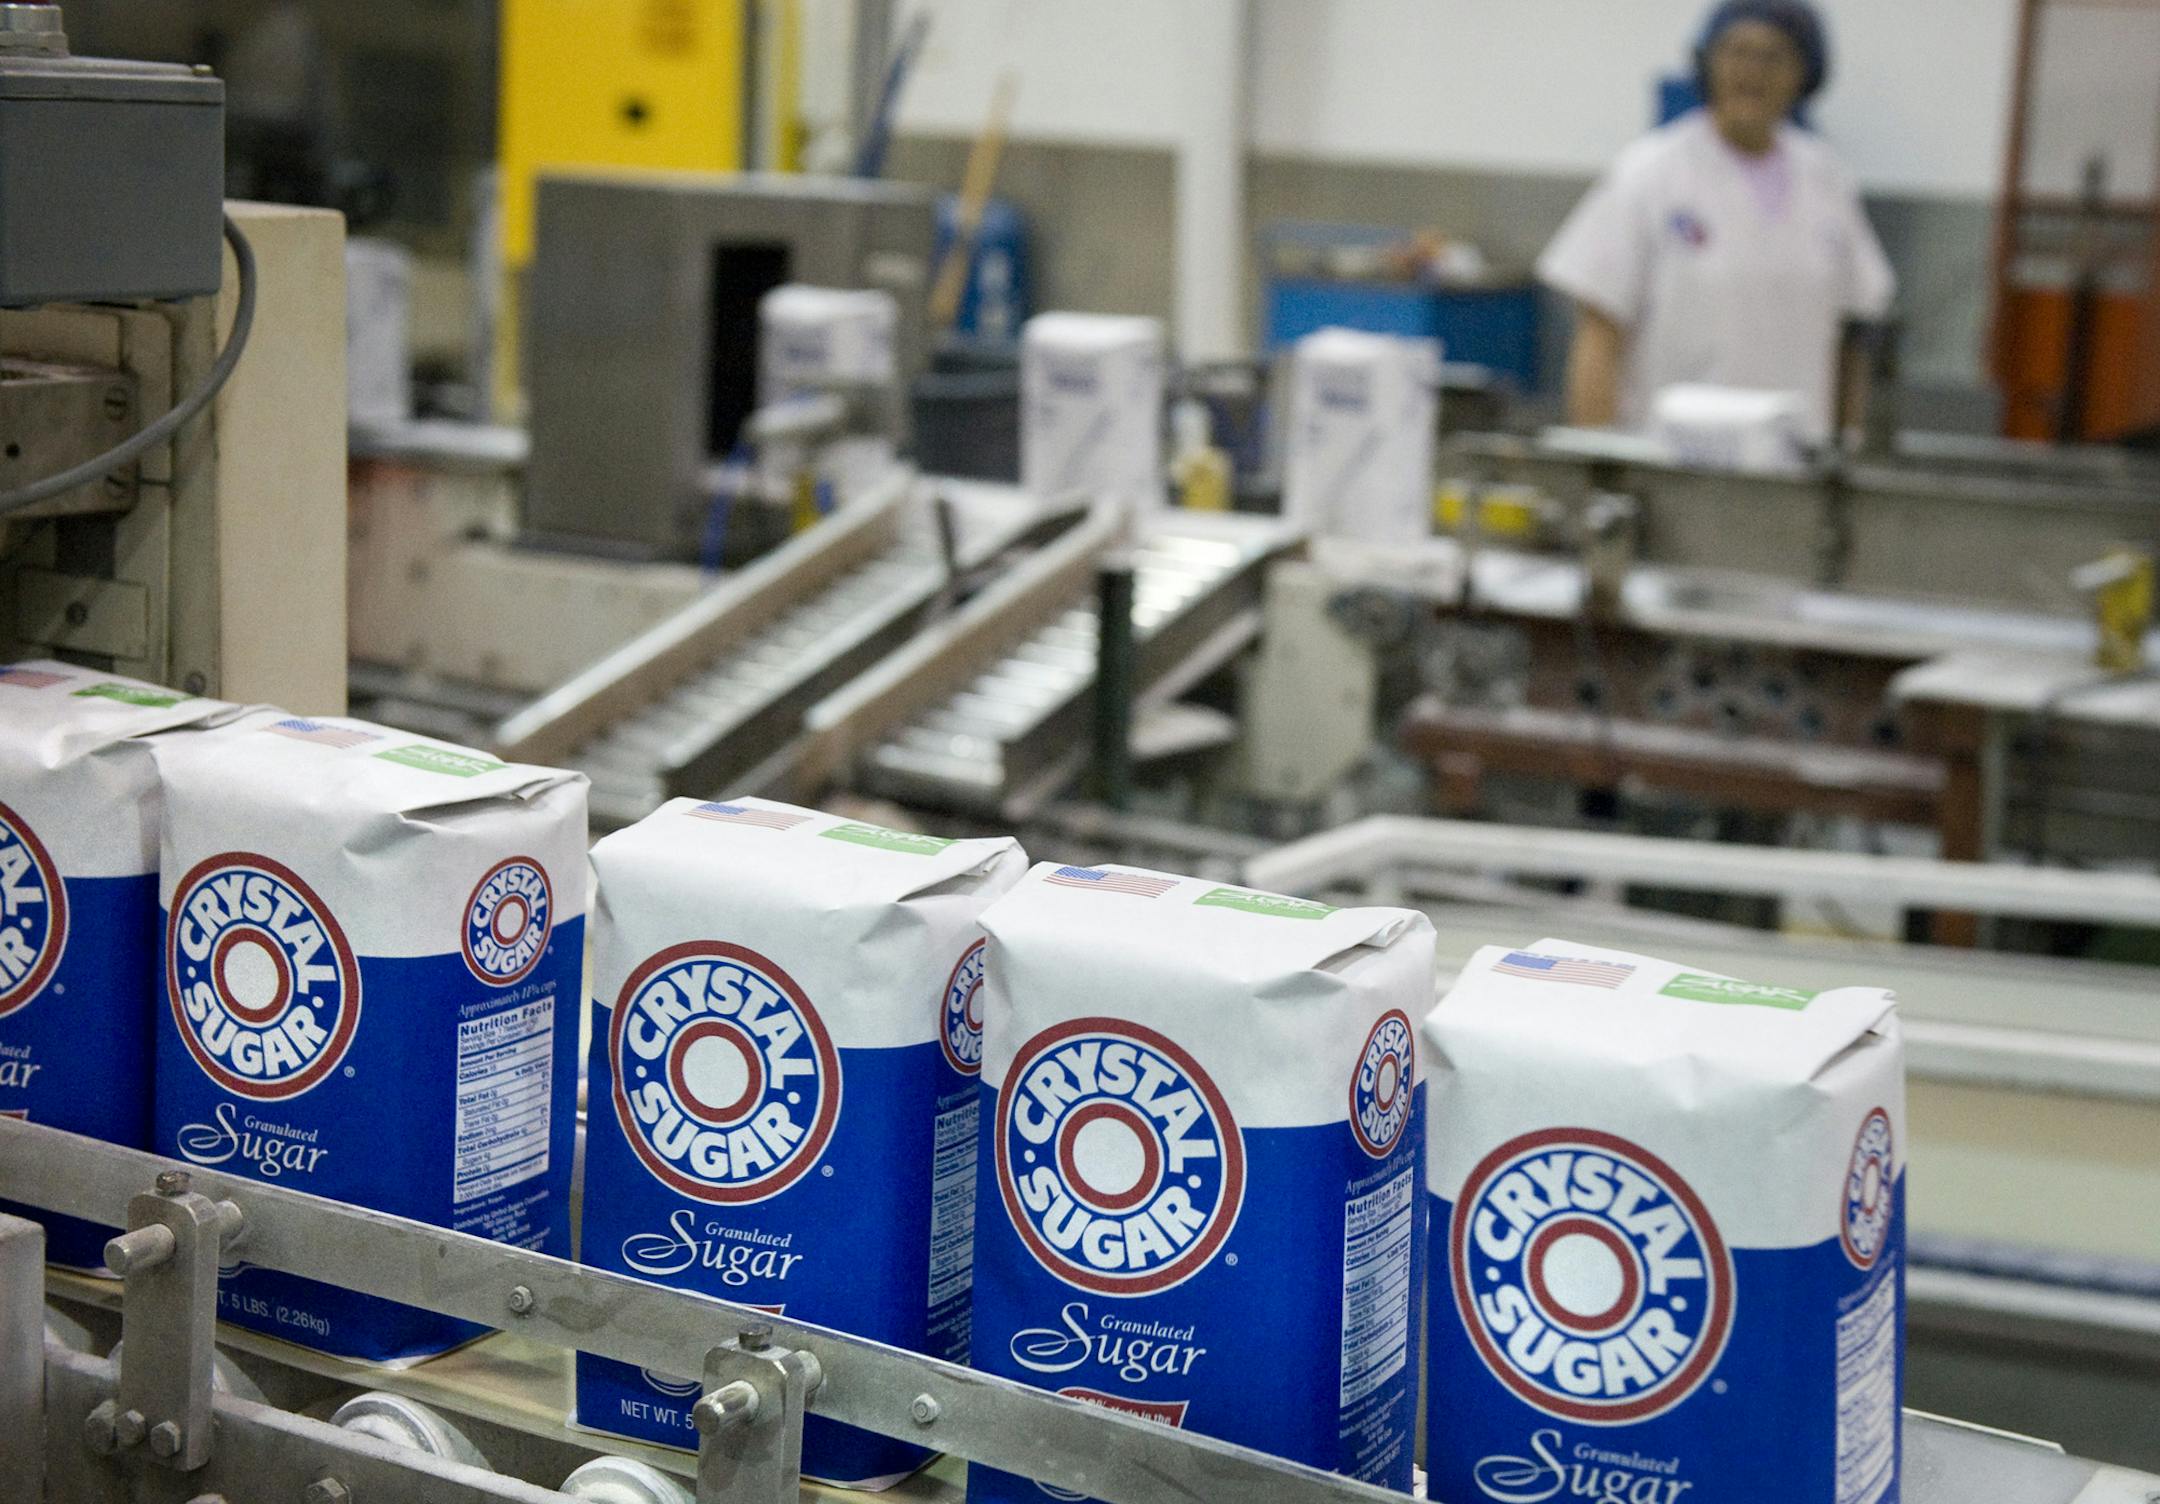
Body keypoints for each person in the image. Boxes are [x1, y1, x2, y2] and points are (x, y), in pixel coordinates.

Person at [1538, 0, 1894, 440]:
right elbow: (1599, 332)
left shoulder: (1827, 180)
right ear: (1707, 63)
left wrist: (1845, 450)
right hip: (1673, 462)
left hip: (1797, 463)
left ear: (1804, 74)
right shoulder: (1650, 173)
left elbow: (1853, 337)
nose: (1752, 70)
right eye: (1736, 51)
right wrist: (1600, 458)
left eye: (1774, 56)